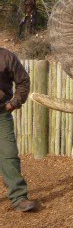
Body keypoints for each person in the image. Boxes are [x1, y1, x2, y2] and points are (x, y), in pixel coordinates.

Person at [0, 47, 40, 212]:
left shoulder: (6, 57)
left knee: (9, 155)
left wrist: (14, 103)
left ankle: (19, 198)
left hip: (1, 115)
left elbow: (23, 81)